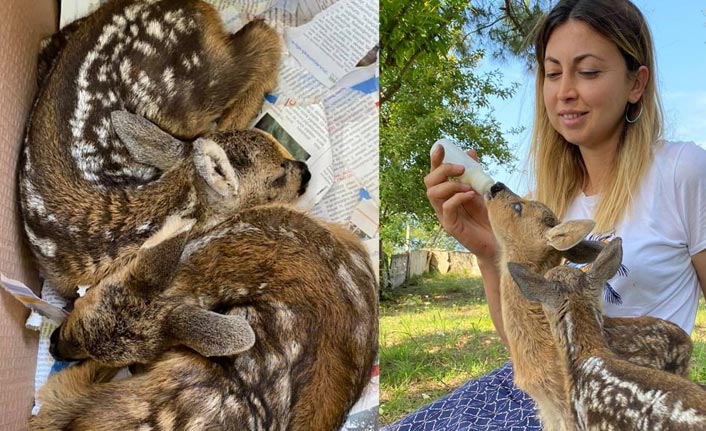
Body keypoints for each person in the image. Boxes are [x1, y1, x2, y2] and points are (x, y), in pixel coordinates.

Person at [385, 0, 706, 429]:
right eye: (552, 73)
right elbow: (529, 351)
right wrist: (489, 253)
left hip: (631, 407)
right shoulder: (551, 202)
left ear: (636, 83)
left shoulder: (682, 172)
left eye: (588, 71)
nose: (564, 91)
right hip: (552, 400)